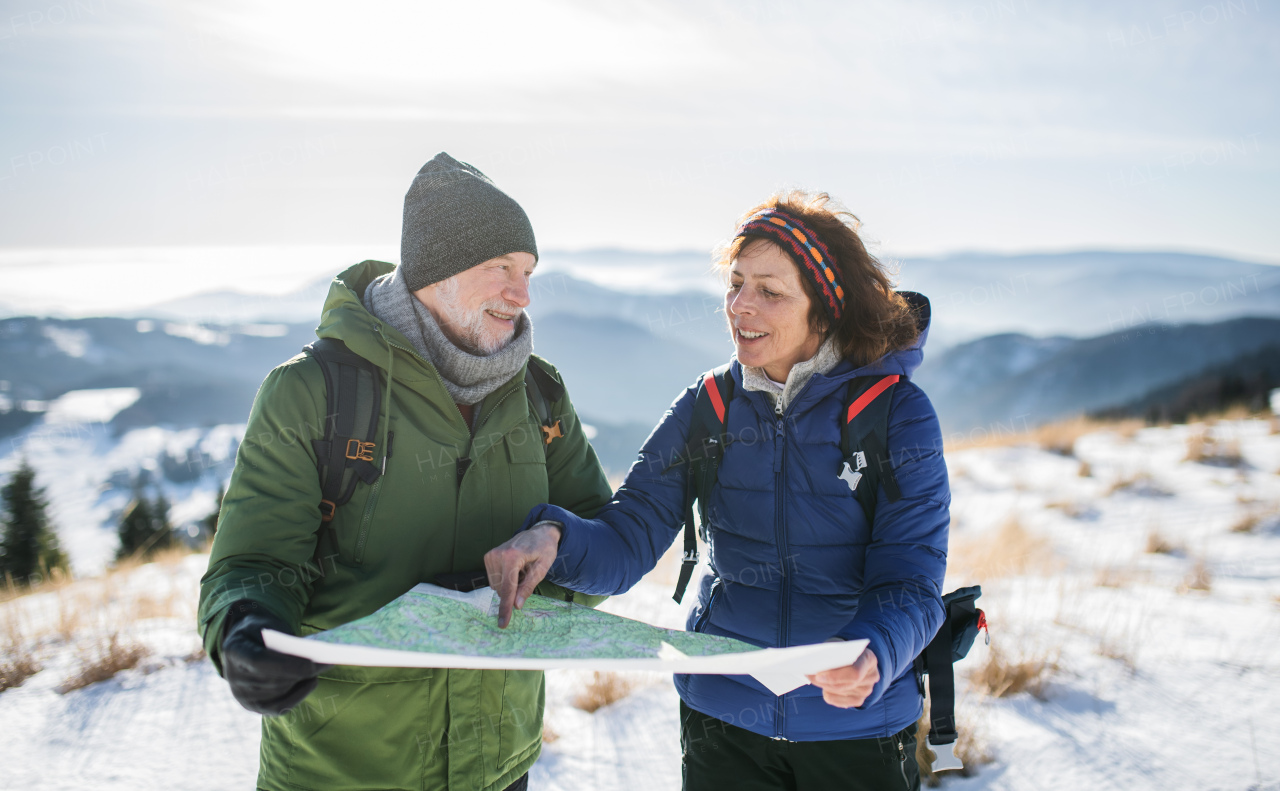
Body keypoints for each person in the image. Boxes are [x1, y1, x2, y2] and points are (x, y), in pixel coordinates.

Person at [486, 190, 950, 790]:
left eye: (770, 291)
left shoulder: (894, 415)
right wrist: (556, 538)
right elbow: (629, 539)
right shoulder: (708, 407)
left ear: (826, 308)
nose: (741, 307)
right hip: (722, 721)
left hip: (854, 724)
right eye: (735, 285)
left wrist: (873, 652)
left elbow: (911, 579)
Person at [198, 152, 612, 791]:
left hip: (499, 768)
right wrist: (246, 629)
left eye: (528, 271)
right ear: (434, 271)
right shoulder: (313, 391)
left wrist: (545, 567)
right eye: (500, 267)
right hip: (340, 770)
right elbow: (250, 563)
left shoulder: (539, 393)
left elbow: (598, 540)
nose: (522, 294)